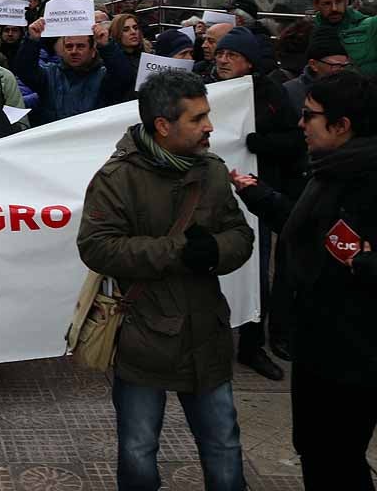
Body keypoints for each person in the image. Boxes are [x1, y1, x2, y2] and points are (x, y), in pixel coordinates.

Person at [78, 70, 254, 491]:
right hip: (145, 336)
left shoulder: (211, 170)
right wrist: (177, 252)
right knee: (138, 450)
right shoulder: (117, 178)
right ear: (163, 126)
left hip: (205, 332)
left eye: (207, 116)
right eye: (197, 119)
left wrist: (214, 251)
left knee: (224, 446)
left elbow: (240, 235)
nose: (209, 127)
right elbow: (98, 247)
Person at [229, 73, 377, 491]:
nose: (300, 124)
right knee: (316, 450)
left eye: (309, 116)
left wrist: (364, 264)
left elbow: (351, 253)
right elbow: (311, 229)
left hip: (354, 355)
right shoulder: (333, 169)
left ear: (341, 125)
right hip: (318, 344)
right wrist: (259, 196)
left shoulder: (367, 179)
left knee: (339, 456)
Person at [212, 26, 303, 380]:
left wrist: (257, 143)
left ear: (248, 62)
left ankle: (252, 345)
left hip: (255, 197)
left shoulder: (272, 94)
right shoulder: (205, 89)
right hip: (212, 194)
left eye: (231, 55)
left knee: (254, 273)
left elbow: (294, 142)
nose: (222, 60)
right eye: (220, 53)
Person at [11, 19, 132, 125]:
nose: (74, 51)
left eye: (80, 46)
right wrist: (32, 40)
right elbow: (25, 71)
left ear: (93, 51)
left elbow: (123, 76)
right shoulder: (50, 74)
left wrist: (107, 45)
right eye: (69, 46)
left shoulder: (103, 77)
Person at [311, 0, 377, 76]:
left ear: (346, 1)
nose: (334, 8)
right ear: (316, 5)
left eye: (338, 2)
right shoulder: (307, 30)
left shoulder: (369, 25)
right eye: (327, 3)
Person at [282, 29, 350, 111]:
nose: (341, 71)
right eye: (335, 65)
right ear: (313, 64)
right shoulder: (290, 92)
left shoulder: (352, 90)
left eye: (345, 65)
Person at [109, 13, 150, 96]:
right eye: (126, 29)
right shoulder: (112, 60)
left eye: (135, 28)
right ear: (117, 33)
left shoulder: (149, 55)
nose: (133, 32)